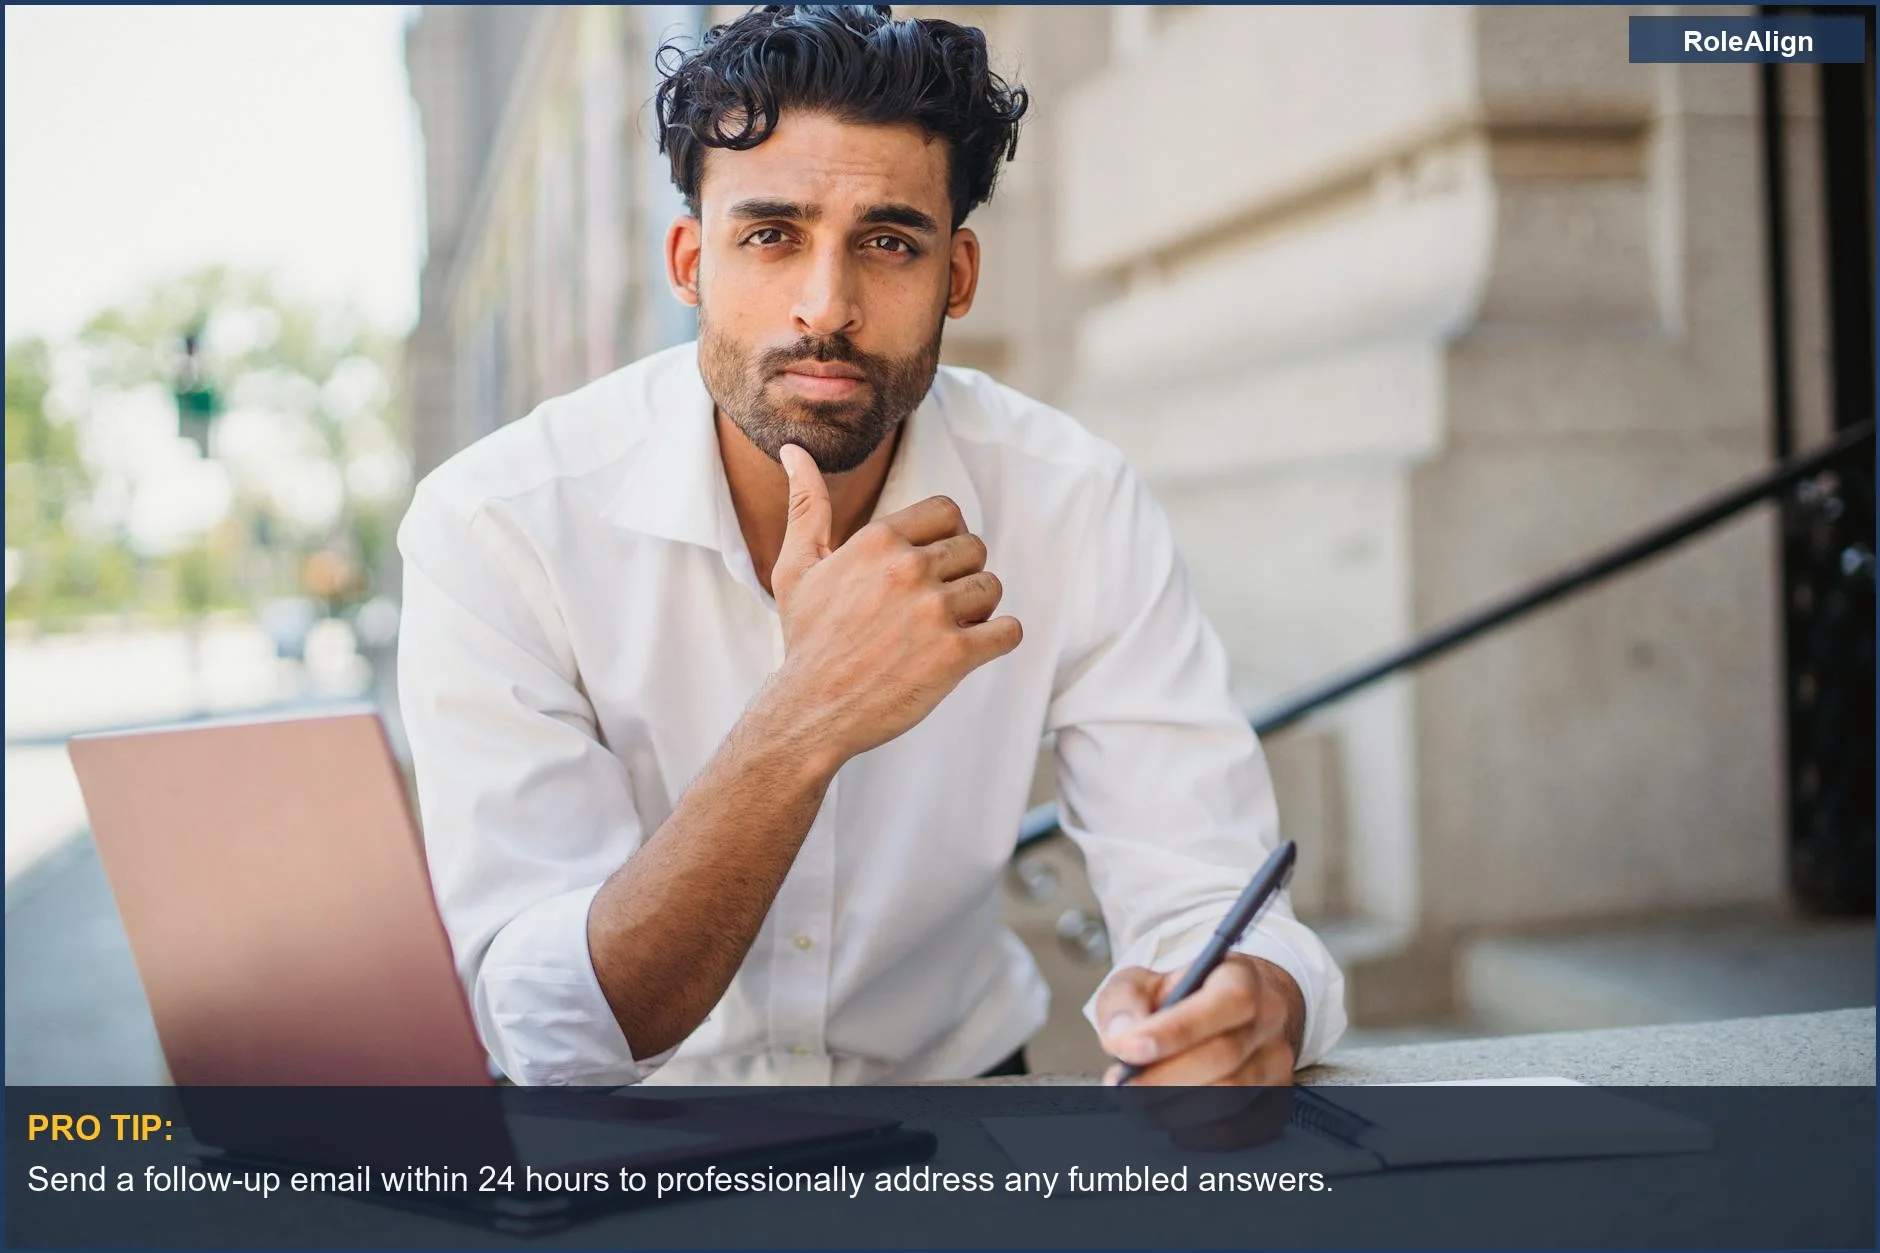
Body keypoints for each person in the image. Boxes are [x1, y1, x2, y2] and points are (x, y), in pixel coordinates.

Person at [396, 4, 1347, 1087]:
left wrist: (1245, 1000)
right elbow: (551, 1029)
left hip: (957, 1106)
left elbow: (1205, 886)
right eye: (769, 235)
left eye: (888, 241)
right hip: (644, 1139)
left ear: (958, 276)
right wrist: (806, 713)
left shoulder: (1068, 498)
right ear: (688, 261)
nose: (826, 305)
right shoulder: (498, 521)